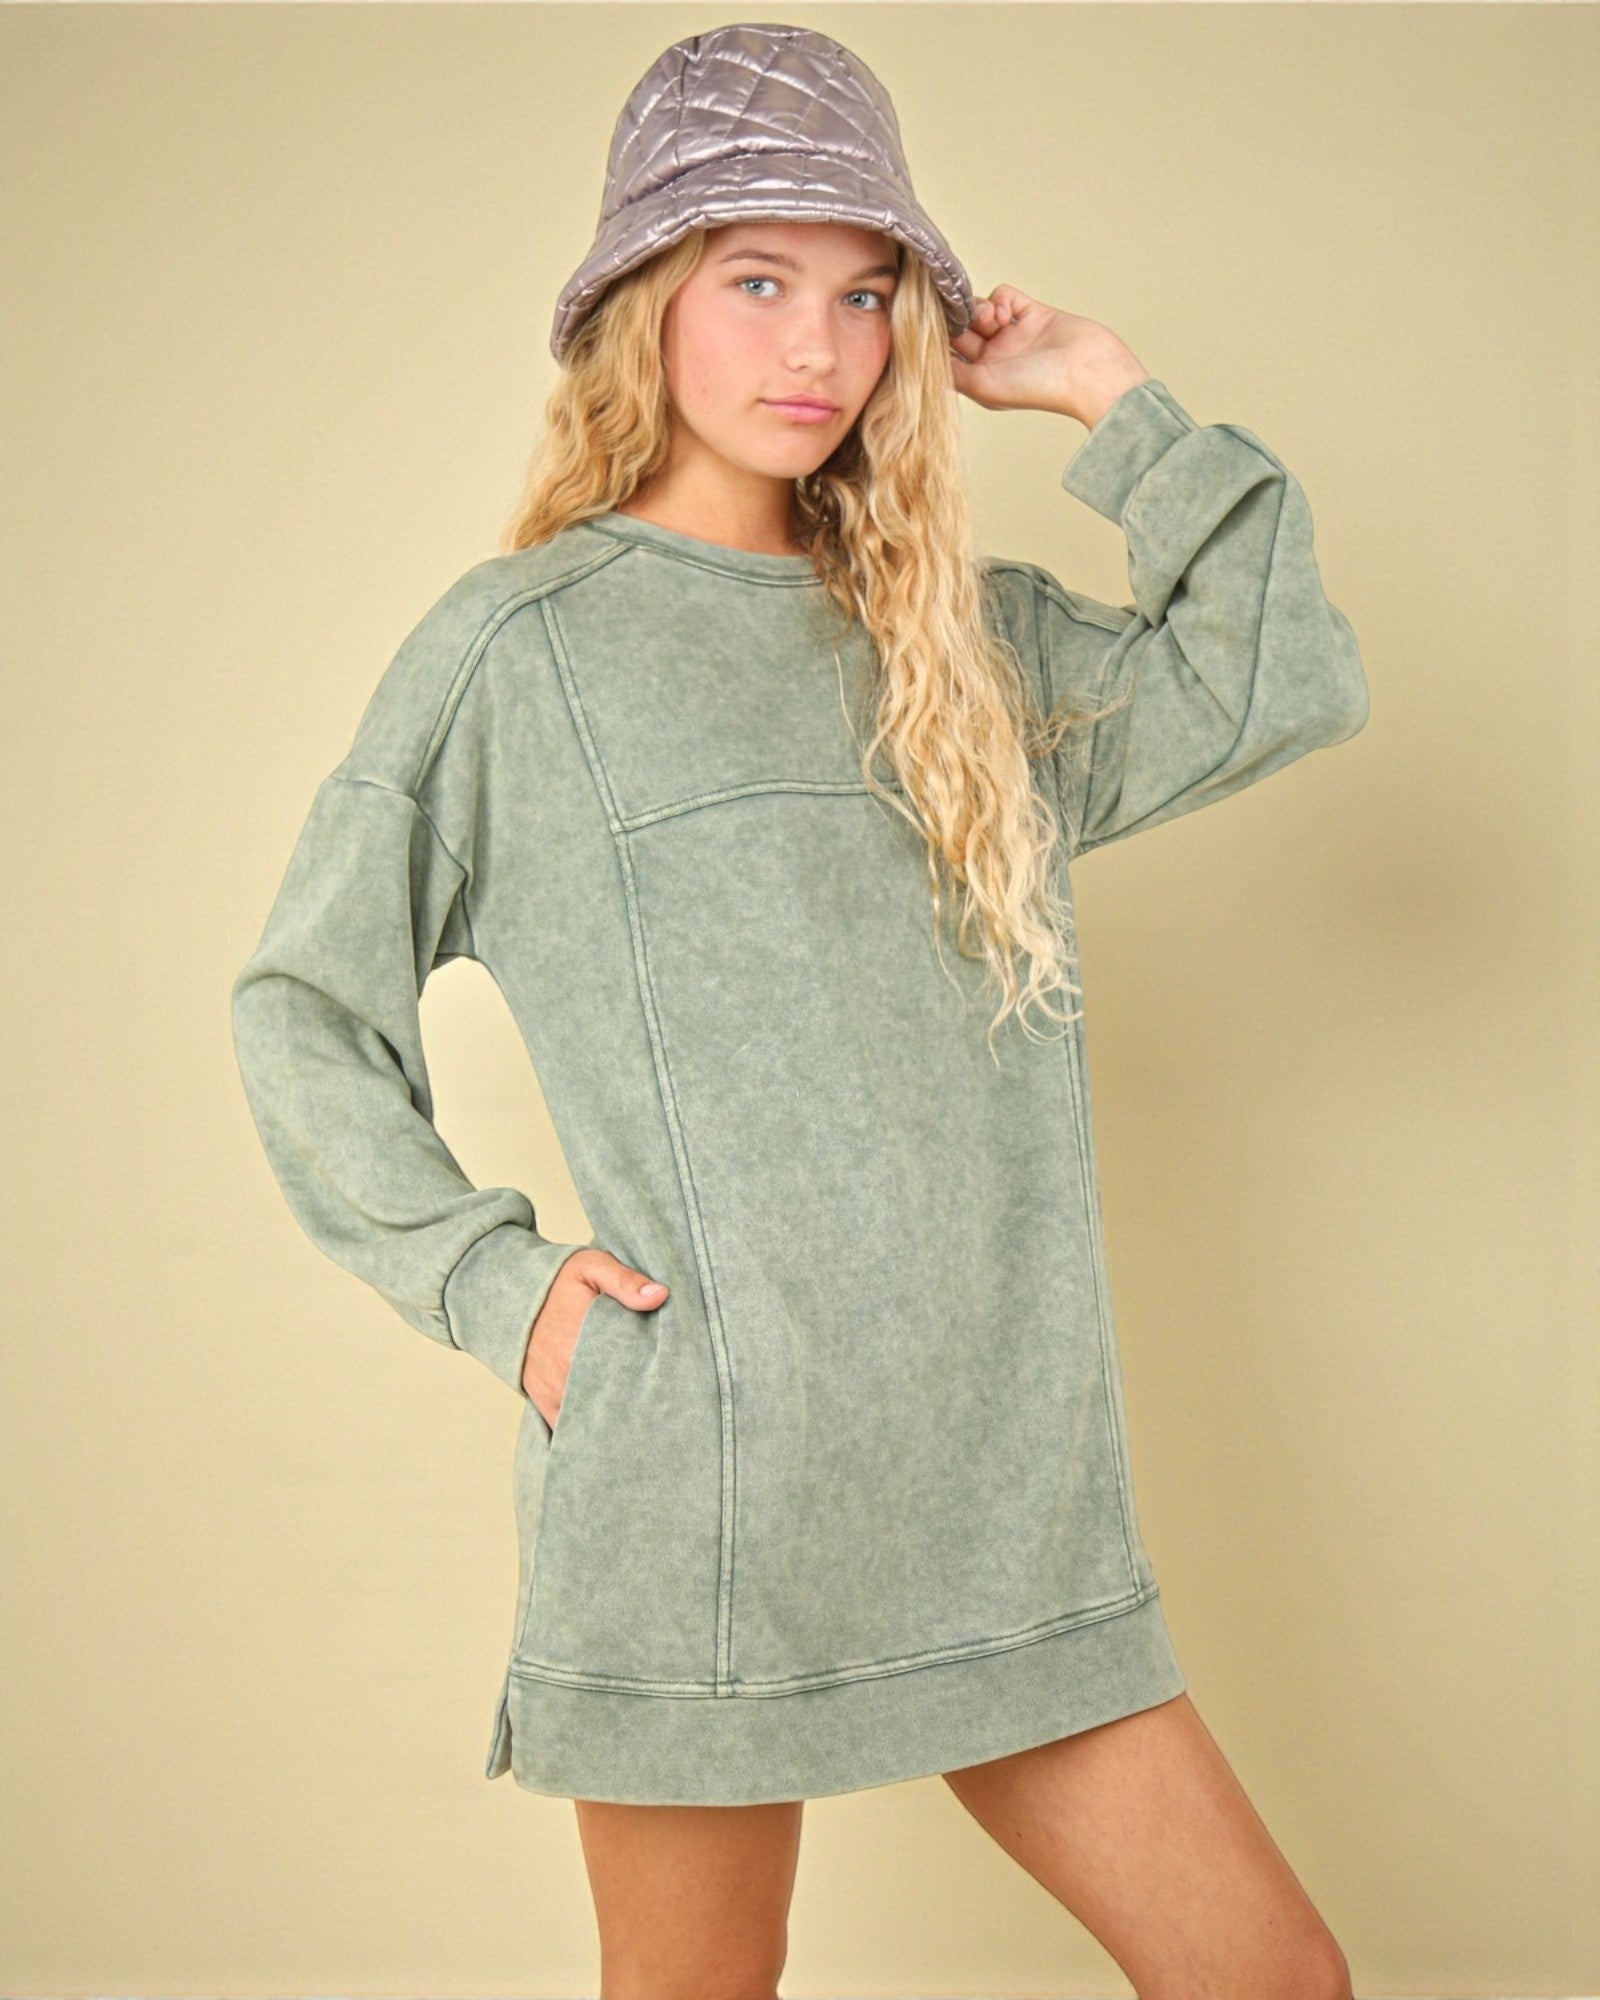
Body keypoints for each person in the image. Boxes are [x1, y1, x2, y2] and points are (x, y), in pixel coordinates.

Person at [231, 22, 1367, 2000]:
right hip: (707, 1494)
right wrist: (500, 1289)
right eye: (756, 280)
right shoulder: (519, 653)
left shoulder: (965, 643)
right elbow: (300, 1008)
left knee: (1273, 1977)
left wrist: (1106, 394)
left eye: (862, 294)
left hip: (1006, 1500)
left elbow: (1281, 679)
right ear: (647, 306)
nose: (817, 346)